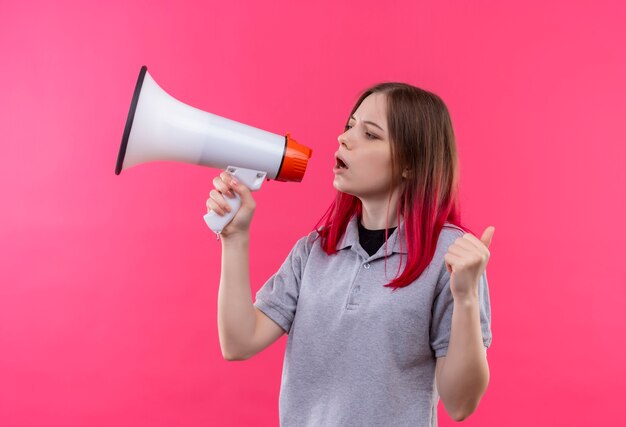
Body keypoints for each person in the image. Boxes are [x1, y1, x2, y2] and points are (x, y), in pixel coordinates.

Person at [207, 82, 494, 426]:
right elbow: (238, 342)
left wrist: (464, 299)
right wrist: (235, 237)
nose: (344, 138)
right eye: (349, 126)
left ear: (411, 164)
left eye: (370, 134)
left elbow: (460, 403)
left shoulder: (450, 256)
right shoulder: (315, 250)